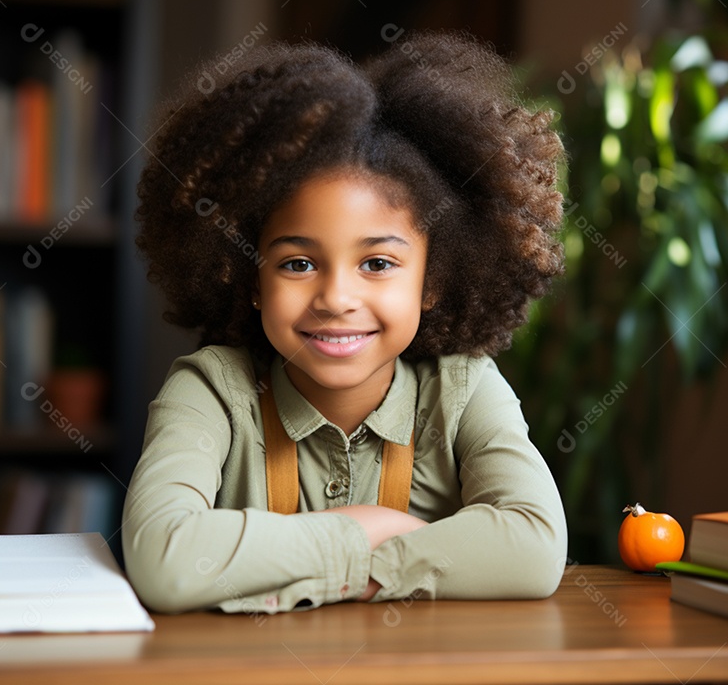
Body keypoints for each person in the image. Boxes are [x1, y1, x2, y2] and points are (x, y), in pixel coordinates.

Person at [123, 31, 567, 614]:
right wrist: (369, 528)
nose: (336, 297)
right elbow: (164, 560)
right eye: (298, 263)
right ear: (251, 279)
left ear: (432, 281)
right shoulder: (211, 391)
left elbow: (534, 549)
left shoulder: (464, 390)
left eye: (377, 263)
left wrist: (312, 565)